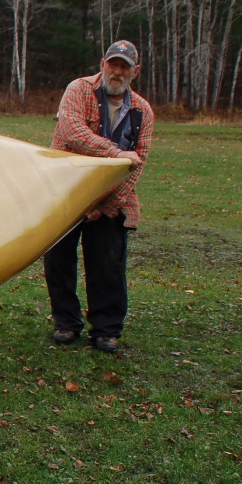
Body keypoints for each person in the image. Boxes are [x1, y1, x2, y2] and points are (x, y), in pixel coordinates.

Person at [43, 40, 154, 354]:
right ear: (103, 64)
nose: (117, 71)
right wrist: (116, 153)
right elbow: (72, 131)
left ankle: (106, 330)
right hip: (66, 190)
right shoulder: (78, 90)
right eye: (113, 64)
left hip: (112, 198)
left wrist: (105, 206)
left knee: (108, 264)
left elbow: (137, 164)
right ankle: (66, 322)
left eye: (124, 67)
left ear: (135, 71)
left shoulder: (142, 111)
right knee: (58, 261)